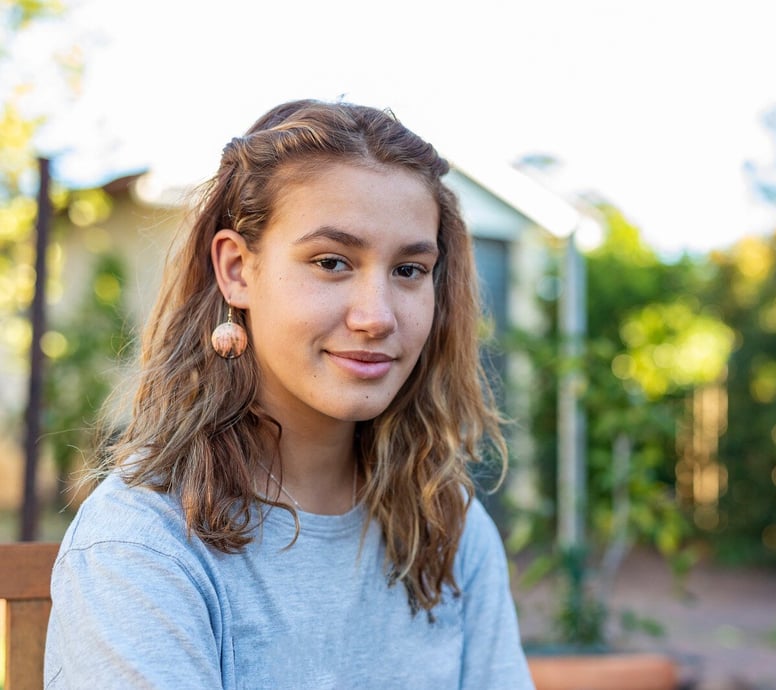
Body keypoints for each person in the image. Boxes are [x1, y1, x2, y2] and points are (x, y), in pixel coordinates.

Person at [44, 99, 534, 689]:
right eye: (331, 262)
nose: (377, 317)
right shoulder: (143, 545)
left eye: (409, 270)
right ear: (237, 269)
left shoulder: (446, 522)